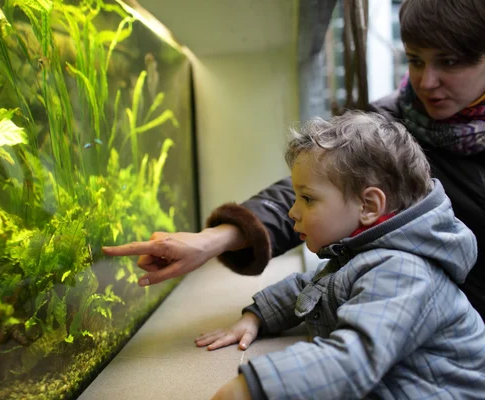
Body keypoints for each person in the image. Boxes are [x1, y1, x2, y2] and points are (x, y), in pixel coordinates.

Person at [102, 0, 485, 321]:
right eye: (416, 61)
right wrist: (214, 240)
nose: (427, 81)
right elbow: (320, 187)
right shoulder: (390, 124)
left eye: (449, 63)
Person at [201, 111, 485, 399]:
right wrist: (256, 317)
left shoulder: (403, 271)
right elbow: (310, 286)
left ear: (369, 206)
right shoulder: (363, 255)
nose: (292, 212)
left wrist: (254, 386)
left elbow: (353, 358)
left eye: (307, 198)